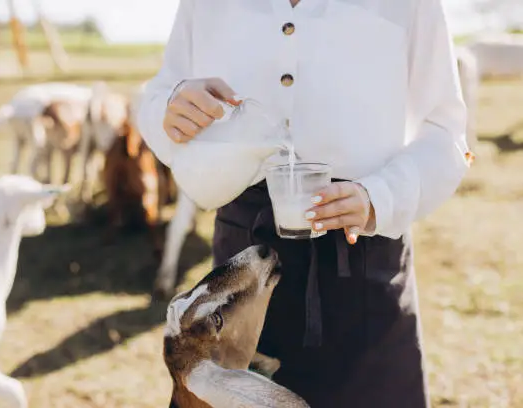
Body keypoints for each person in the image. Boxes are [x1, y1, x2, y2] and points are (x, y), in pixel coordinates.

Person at [136, 0, 472, 406]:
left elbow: (447, 133)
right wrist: (170, 110)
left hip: (364, 264)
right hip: (242, 271)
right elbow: (159, 96)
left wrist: (379, 197)